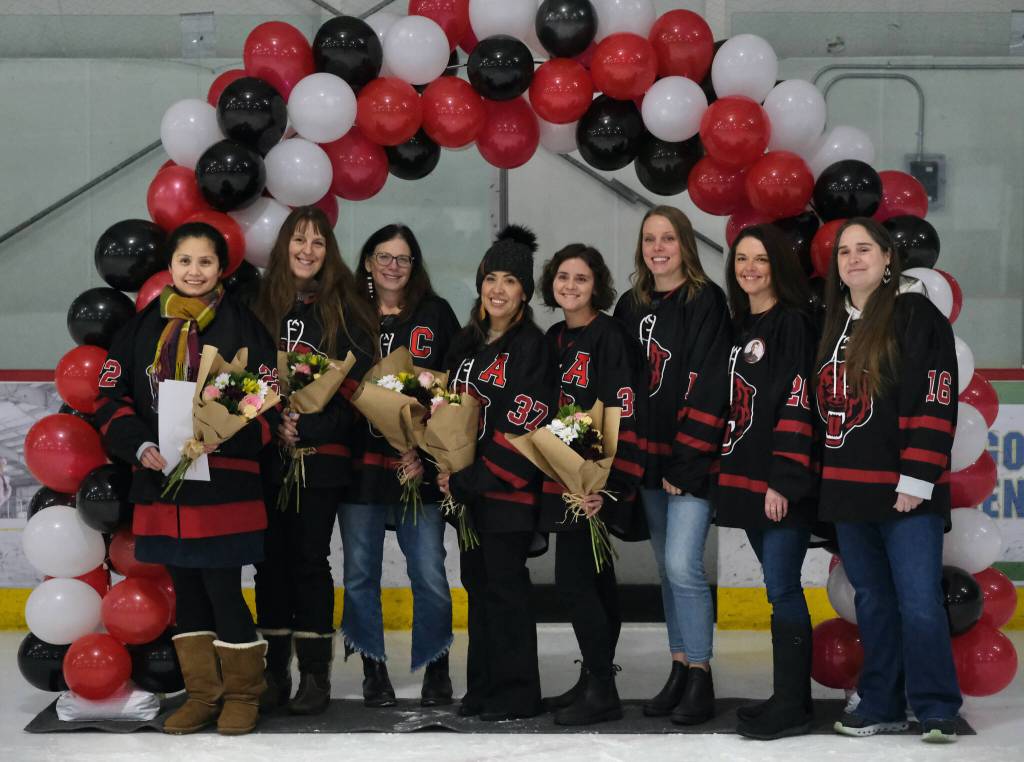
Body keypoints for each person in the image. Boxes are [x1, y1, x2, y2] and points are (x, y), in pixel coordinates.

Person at [94, 222, 279, 735]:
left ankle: (244, 694)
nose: (194, 271)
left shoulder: (243, 327)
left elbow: (262, 400)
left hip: (223, 485)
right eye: (185, 262)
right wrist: (139, 445)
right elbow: (111, 398)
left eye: (205, 262)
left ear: (222, 269)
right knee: (188, 591)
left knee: (222, 587)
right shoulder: (139, 329)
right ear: (169, 268)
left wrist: (223, 436)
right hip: (161, 487)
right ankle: (202, 694)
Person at [815, 218, 961, 743]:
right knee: (872, 600)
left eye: (864, 249)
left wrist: (918, 478)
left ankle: (937, 705)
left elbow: (936, 396)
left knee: (919, 600)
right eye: (844, 252)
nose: (853, 259)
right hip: (849, 491)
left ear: (887, 259)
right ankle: (881, 702)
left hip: (905, 491)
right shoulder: (834, 322)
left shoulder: (915, 313)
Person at [250, 207, 377, 715]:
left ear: (330, 251)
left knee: (309, 560)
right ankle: (274, 671)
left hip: (322, 460)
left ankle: (315, 677)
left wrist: (309, 425)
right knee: (268, 563)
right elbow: (243, 373)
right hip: (267, 456)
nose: (307, 250)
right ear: (283, 246)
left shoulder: (347, 309)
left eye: (318, 243)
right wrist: (272, 419)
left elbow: (357, 388)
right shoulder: (259, 305)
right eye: (299, 240)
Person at [612, 205, 731, 725]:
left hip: (690, 462)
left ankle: (701, 672)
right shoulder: (629, 304)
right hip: (647, 461)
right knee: (666, 569)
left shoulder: (706, 300)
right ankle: (680, 666)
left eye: (667, 238)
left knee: (684, 566)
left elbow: (710, 381)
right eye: (648, 239)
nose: (657, 248)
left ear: (685, 243)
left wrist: (687, 461)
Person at [437, 224, 558, 722]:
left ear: (525, 292)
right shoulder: (464, 342)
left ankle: (517, 691)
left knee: (507, 589)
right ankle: (482, 686)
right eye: (492, 277)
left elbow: (528, 419)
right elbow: (443, 409)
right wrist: (444, 466)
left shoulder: (532, 346)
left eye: (510, 280)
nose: (499, 288)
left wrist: (476, 476)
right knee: (478, 588)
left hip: (504, 492)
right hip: (467, 494)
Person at [338, 224, 460, 707]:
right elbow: (329, 382)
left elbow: (452, 394)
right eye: (383, 256)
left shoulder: (436, 313)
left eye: (403, 258)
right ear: (367, 261)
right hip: (360, 466)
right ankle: (373, 667)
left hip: (419, 466)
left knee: (429, 569)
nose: (393, 266)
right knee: (360, 572)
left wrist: (425, 455)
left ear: (415, 264)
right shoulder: (346, 314)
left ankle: (437, 664)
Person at [712, 225, 818, 739]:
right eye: (741, 260)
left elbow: (797, 400)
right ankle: (784, 697)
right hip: (746, 478)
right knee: (777, 588)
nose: (749, 268)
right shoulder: (739, 324)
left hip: (780, 484)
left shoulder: (792, 323)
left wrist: (784, 479)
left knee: (782, 589)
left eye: (760, 260)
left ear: (779, 266)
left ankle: (794, 706)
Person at [536, 244, 644, 726]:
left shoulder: (610, 336)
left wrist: (608, 483)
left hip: (593, 484)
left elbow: (621, 408)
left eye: (581, 278)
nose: (571, 286)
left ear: (596, 285)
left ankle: (602, 686)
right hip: (564, 479)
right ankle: (593, 679)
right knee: (594, 584)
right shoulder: (554, 336)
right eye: (563, 277)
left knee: (578, 582)